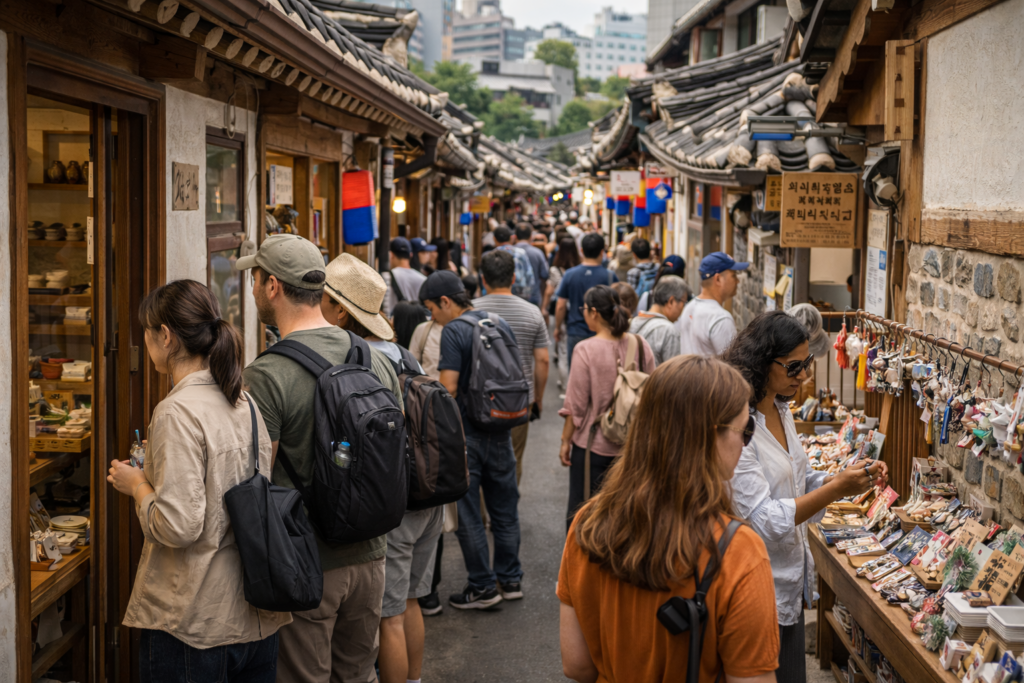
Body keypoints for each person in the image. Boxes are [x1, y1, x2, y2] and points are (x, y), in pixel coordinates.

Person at [237, 235, 405, 683]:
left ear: (272, 286)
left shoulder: (267, 373)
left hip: (307, 564)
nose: (252, 289)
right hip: (372, 554)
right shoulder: (372, 357)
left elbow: (258, 477)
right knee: (356, 675)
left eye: (254, 279)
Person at [108, 280, 290, 683]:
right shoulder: (242, 399)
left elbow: (179, 526)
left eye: (147, 332)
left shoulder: (177, 412)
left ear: (166, 337)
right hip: (255, 610)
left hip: (195, 618)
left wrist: (136, 484)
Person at [559, 355, 781, 683]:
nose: (747, 443)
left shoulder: (588, 525)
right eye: (745, 429)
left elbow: (577, 665)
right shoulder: (738, 551)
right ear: (711, 436)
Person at [724, 311, 888, 683]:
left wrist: (842, 479)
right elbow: (765, 518)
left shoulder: (781, 411)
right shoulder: (740, 427)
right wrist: (836, 488)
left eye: (808, 364)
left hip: (789, 581)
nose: (805, 376)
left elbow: (796, 481)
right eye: (794, 367)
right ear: (762, 364)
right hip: (755, 586)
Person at [315, 255, 437, 683]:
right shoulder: (405, 356)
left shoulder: (357, 359)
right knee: (411, 602)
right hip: (425, 493)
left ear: (339, 311)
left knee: (388, 618)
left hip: (389, 505)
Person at [422, 270, 524, 609]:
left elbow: (449, 386)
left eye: (432, 308)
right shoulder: (498, 321)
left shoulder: (454, 330)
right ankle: (510, 580)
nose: (431, 316)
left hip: (469, 433)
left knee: (468, 513)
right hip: (502, 428)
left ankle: (482, 586)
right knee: (505, 510)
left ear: (446, 302)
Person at [559, 285, 655, 531]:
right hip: (633, 447)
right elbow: (654, 393)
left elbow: (576, 406)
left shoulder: (585, 349)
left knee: (585, 516)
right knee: (626, 518)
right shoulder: (640, 344)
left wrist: (565, 441)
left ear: (593, 312)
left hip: (593, 446)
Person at [474, 249, 550, 485]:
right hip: (518, 399)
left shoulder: (470, 312)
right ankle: (505, 514)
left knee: (477, 459)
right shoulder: (532, 312)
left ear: (483, 279)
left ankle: (482, 518)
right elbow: (543, 360)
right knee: (512, 458)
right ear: (514, 278)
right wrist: (537, 398)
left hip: (478, 398)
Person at [554, 232, 619, 369]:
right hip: (603, 333)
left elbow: (560, 305)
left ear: (582, 251)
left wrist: (558, 327)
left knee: (577, 373)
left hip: (576, 330)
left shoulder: (570, 274)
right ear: (602, 252)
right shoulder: (610, 276)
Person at [678, 251, 748, 357]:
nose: (737, 281)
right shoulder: (721, 318)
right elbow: (731, 366)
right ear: (718, 279)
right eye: (733, 275)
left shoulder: (689, 308)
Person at [628, 275, 689, 365]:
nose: (683, 308)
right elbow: (673, 373)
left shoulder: (633, 322)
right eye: (683, 302)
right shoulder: (669, 331)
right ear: (671, 301)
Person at [546, 237, 581, 393]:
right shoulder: (579, 268)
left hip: (563, 313)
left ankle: (567, 386)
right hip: (578, 311)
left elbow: (551, 292)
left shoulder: (555, 270)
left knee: (563, 351)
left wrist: (544, 307)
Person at [493, 225, 539, 305]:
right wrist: (527, 297)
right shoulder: (521, 253)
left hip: (496, 300)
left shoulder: (491, 255)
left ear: (494, 239)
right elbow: (530, 277)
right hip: (520, 299)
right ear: (512, 238)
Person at [383, 237, 427, 318]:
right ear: (411, 255)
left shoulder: (387, 277)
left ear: (391, 255)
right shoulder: (423, 279)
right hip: (416, 325)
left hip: (394, 324)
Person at [516, 223, 549, 300]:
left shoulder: (509, 252)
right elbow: (545, 274)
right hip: (533, 296)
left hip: (513, 297)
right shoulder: (537, 253)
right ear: (531, 236)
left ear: (515, 236)